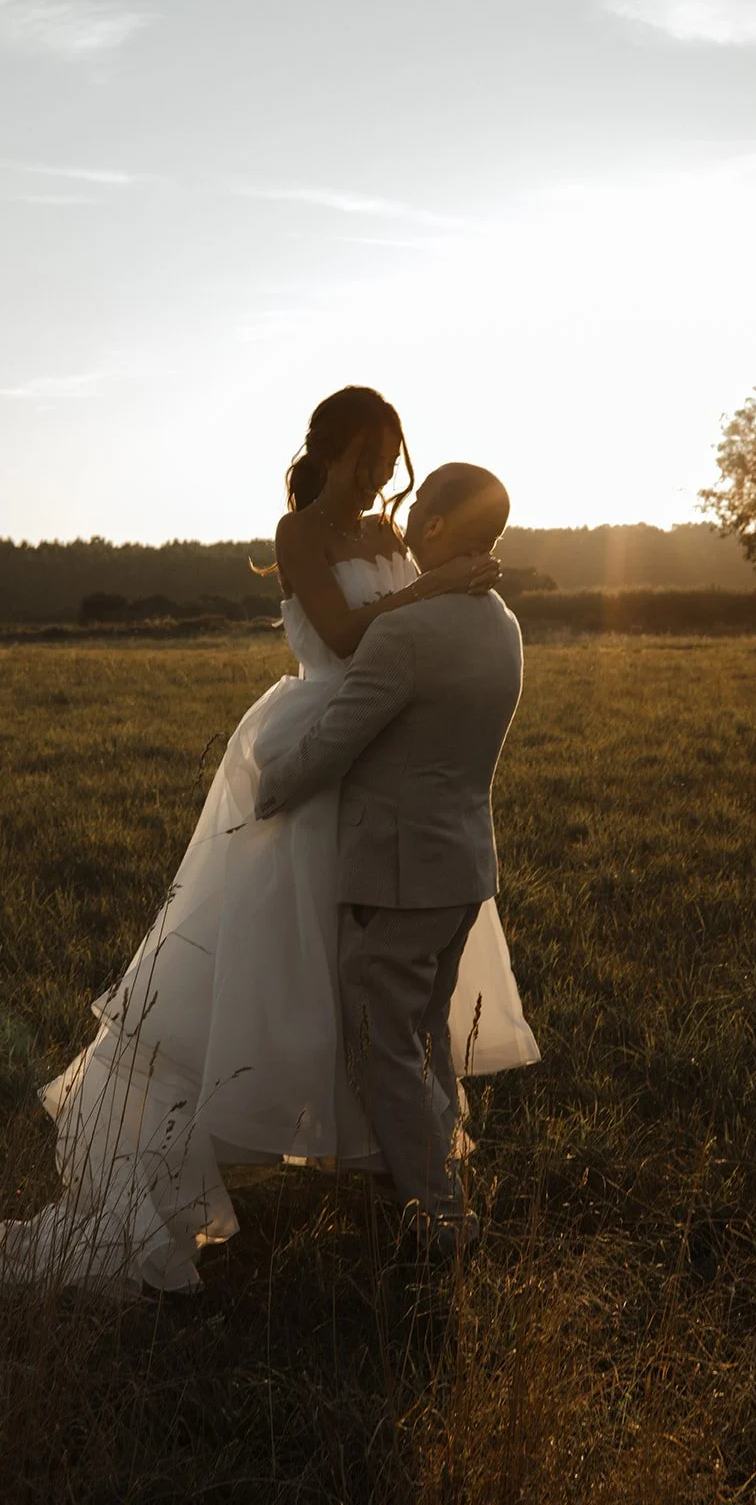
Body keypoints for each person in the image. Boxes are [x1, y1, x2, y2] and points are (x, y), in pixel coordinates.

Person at [0, 389, 538, 1297]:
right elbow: (345, 634)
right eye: (372, 456)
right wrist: (433, 588)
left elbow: (409, 647)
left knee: (380, 999)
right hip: (326, 731)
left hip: (387, 754)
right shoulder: (300, 531)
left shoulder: (393, 541)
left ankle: (390, 1173)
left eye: (395, 458)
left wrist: (431, 585)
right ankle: (276, 1157)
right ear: (334, 449)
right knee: (290, 963)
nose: (386, 475)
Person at [256, 463, 527, 1255]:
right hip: (463, 865)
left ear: (439, 527)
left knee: (382, 1044)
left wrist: (265, 787)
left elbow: (338, 739)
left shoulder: (405, 632)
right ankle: (437, 1179)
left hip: (403, 871)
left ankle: (440, 1219)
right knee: (424, 1036)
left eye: (417, 507)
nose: (402, 516)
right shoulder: (501, 621)